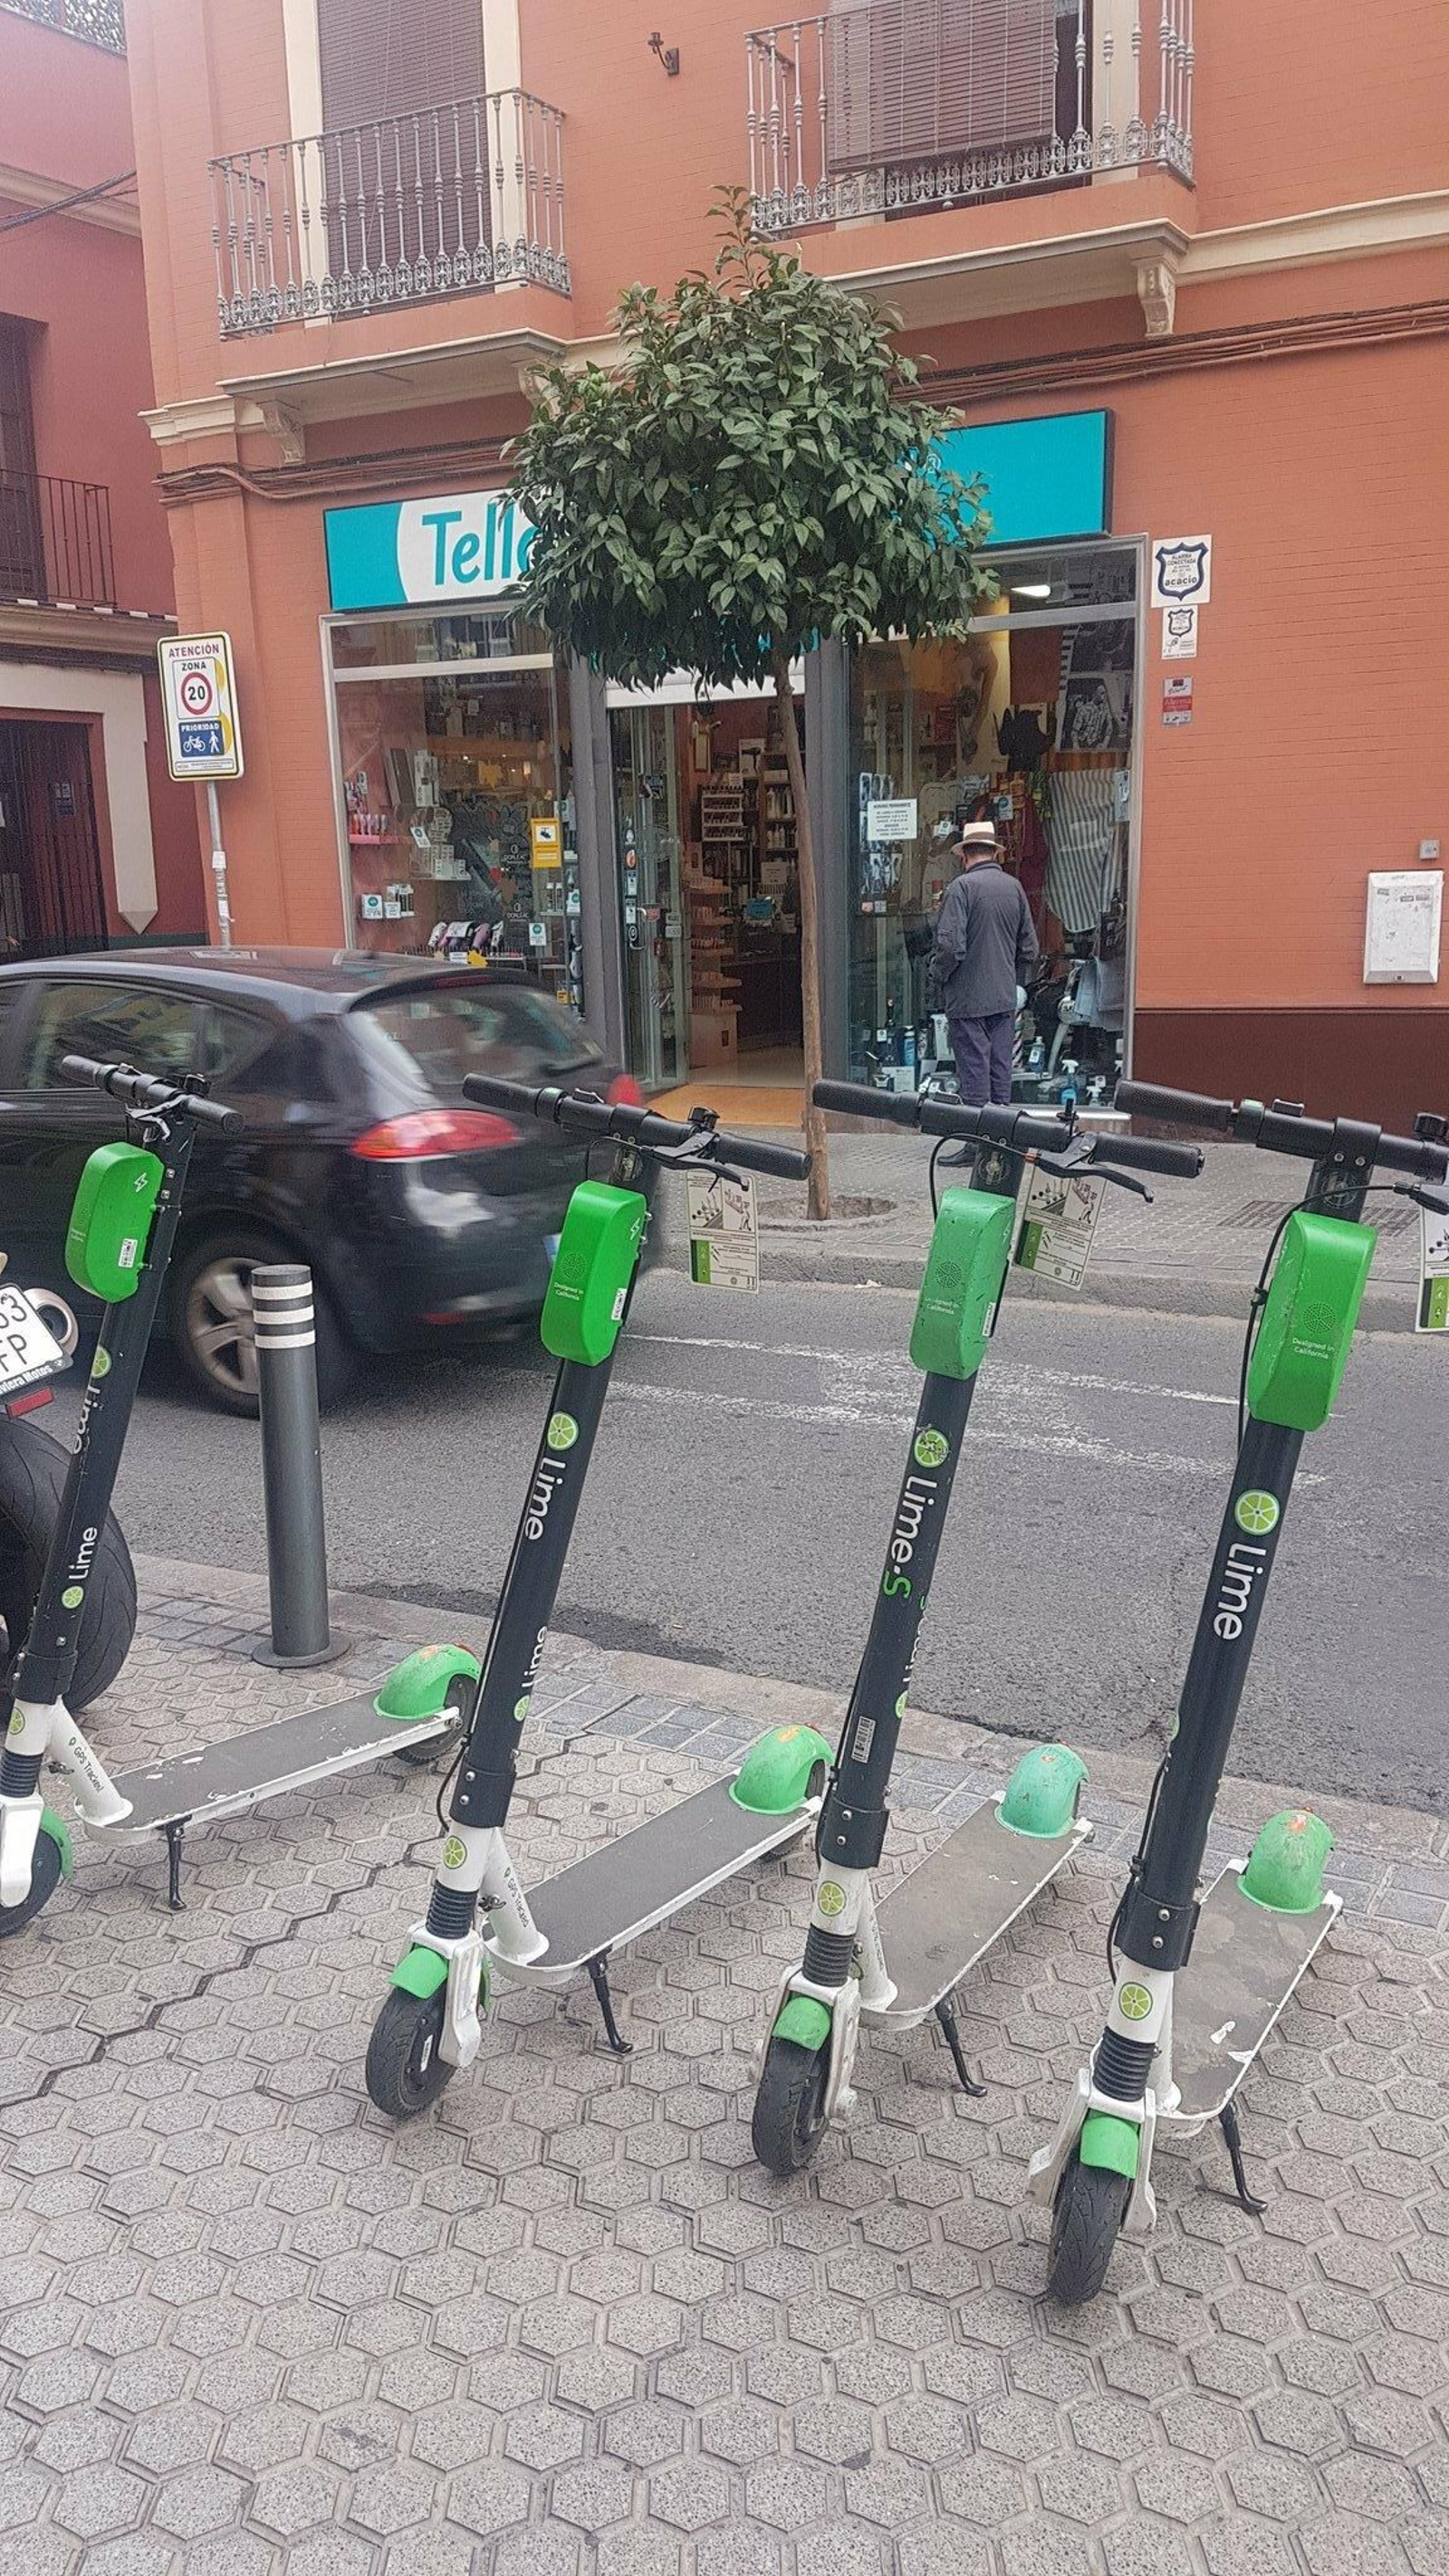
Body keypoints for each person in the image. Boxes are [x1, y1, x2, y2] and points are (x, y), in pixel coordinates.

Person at [932, 821, 1039, 1119]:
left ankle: (976, 1144)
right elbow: (1030, 948)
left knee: (974, 1072)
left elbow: (951, 948)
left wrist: (937, 974)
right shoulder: (1014, 887)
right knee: (1000, 1071)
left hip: (968, 999)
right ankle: (999, 1145)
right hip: (1003, 998)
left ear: (963, 855)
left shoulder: (961, 888)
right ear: (993, 853)